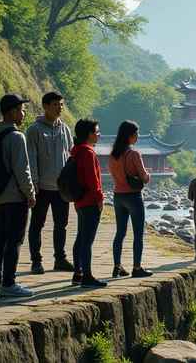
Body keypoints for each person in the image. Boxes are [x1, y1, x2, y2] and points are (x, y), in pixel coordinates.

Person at [0, 94, 37, 297]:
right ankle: (9, 284)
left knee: (0, 237)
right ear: (11, 112)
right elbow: (22, 170)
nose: (23, 113)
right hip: (14, 197)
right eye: (20, 110)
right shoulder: (17, 136)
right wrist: (31, 193)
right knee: (15, 239)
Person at [25, 91, 74, 274]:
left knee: (61, 224)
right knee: (37, 224)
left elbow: (70, 156)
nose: (59, 108)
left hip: (61, 188)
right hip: (42, 187)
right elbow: (30, 158)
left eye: (61, 104)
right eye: (55, 105)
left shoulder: (65, 129)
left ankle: (60, 259)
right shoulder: (34, 130)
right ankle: (36, 261)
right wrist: (33, 184)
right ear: (45, 106)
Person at [108, 121, 153, 278]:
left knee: (120, 233)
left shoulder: (113, 154)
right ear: (130, 135)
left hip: (118, 196)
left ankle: (117, 266)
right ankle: (137, 267)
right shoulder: (134, 154)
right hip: (133, 196)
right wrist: (149, 175)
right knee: (138, 234)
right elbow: (144, 177)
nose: (138, 136)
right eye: (136, 133)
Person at [70, 119, 107, 288]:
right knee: (87, 240)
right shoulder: (88, 152)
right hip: (90, 201)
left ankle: (78, 273)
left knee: (81, 238)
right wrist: (100, 199)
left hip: (80, 200)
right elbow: (93, 180)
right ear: (90, 134)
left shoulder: (76, 150)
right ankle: (87, 276)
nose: (99, 134)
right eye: (97, 132)